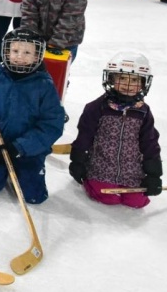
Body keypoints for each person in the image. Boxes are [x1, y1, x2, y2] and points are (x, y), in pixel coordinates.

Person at [0, 28, 65, 204]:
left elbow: (51, 124)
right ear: (7, 51)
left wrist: (22, 147)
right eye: (15, 51)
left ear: (37, 56)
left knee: (34, 196)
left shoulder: (44, 86)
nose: (19, 56)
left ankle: (28, 167)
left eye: (27, 52)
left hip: (29, 150)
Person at [69, 52, 161, 209]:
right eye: (122, 78)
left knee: (137, 202)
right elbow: (85, 136)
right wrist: (78, 161)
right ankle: (92, 183)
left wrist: (153, 174)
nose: (128, 84)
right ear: (111, 79)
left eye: (135, 80)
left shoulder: (143, 112)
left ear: (143, 83)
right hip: (101, 166)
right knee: (108, 198)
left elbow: (150, 143)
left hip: (131, 170)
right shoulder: (97, 107)